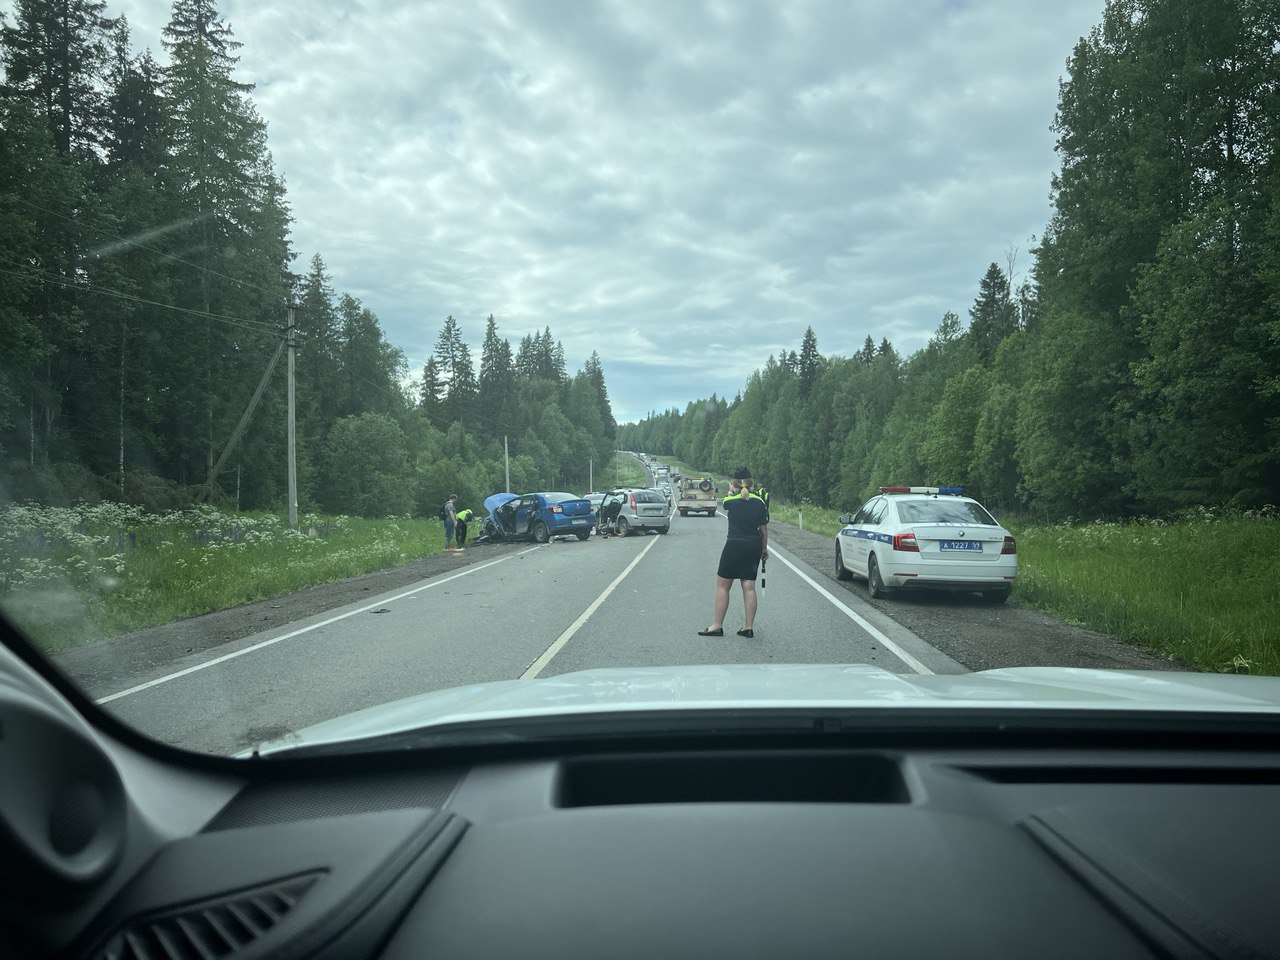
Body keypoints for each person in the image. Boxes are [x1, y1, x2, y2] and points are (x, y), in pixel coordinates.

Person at [698, 466, 769, 639]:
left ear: (734, 484)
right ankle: (748, 627)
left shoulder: (730, 501)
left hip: (734, 544)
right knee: (749, 586)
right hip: (753, 545)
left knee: (723, 586)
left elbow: (727, 502)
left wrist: (731, 491)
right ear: (751, 483)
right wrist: (763, 549)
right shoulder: (759, 502)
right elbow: (764, 530)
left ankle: (717, 625)